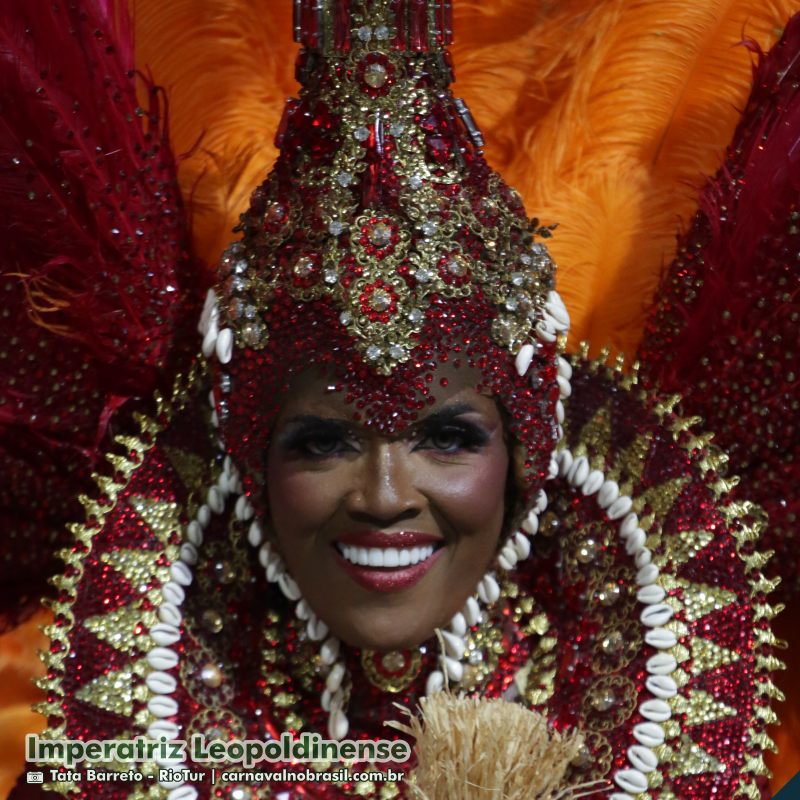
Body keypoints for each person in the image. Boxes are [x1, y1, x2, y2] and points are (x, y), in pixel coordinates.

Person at [1, 1, 797, 798]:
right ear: (250, 463)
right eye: (322, 442)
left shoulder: (649, 696)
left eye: (448, 438)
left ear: (527, 455)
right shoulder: (104, 761)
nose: (385, 498)